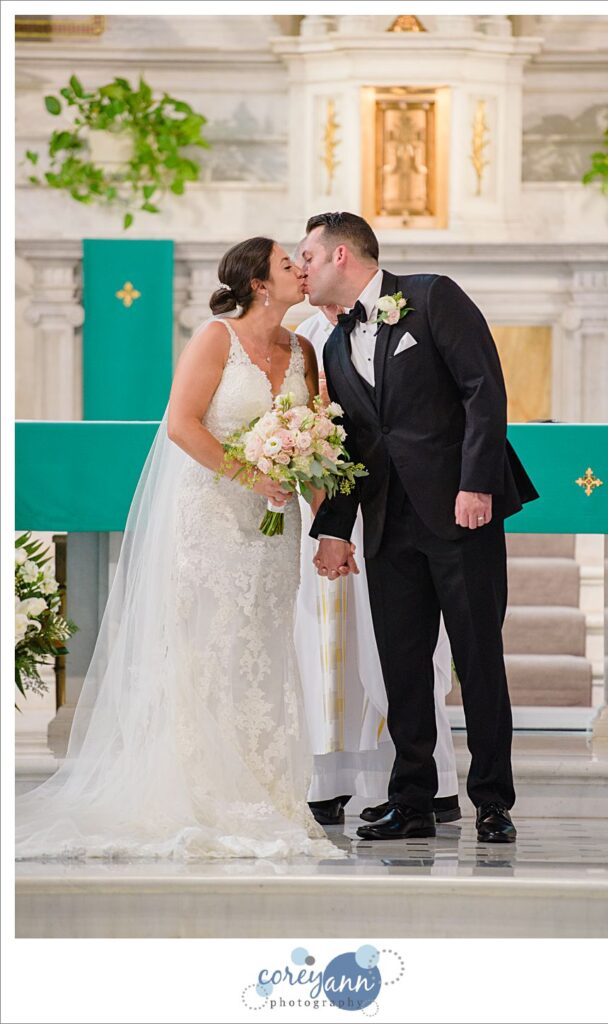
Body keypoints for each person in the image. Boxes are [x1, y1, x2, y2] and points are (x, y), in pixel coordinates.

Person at [15, 237, 346, 862]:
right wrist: (251, 475)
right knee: (209, 648)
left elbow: (318, 442)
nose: (301, 270)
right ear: (255, 282)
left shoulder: (303, 349)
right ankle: (203, 793)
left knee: (264, 649)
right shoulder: (215, 339)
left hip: (274, 530)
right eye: (286, 264)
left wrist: (329, 528)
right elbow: (181, 424)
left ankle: (268, 794)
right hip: (214, 517)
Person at [300, 212, 539, 844]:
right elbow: (354, 444)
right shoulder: (332, 346)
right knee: (402, 664)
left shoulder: (433, 297)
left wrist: (477, 483)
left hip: (461, 513)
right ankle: (411, 799)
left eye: (309, 257)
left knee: (478, 656)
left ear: (343, 257)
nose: (303, 269)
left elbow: (483, 392)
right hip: (387, 523)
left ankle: (492, 800)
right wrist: (333, 528)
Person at [292, 293, 460, 828]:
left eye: (307, 260)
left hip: (384, 506)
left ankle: (425, 779)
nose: (302, 272)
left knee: (400, 644)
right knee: (325, 641)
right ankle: (331, 779)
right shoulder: (302, 339)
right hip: (323, 513)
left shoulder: (399, 315)